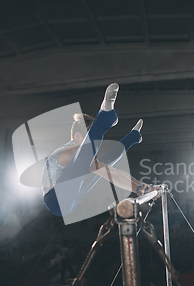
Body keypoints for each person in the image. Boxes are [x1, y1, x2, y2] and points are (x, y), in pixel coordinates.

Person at [41, 83, 160, 217]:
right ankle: (104, 117)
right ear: (77, 136)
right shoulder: (70, 151)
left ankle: (133, 136)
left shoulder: (79, 160)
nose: (97, 143)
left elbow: (110, 169)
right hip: (55, 199)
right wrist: (140, 189)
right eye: (89, 136)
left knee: (103, 161)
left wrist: (143, 187)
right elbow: (109, 173)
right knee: (98, 163)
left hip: (70, 200)